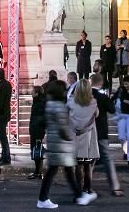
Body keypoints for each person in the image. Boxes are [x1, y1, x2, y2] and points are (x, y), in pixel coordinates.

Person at [37, 80, 92, 209]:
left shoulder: (50, 104)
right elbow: (63, 127)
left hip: (56, 143)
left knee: (66, 171)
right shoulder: (59, 106)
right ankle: (43, 198)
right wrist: (70, 138)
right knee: (58, 171)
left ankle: (79, 195)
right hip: (61, 144)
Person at [69, 79, 99, 196]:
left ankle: (78, 188)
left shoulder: (71, 103)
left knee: (78, 165)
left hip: (76, 136)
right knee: (88, 165)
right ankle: (88, 188)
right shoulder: (93, 103)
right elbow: (97, 114)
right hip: (88, 136)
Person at [113, 74, 129, 164]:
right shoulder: (121, 90)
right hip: (121, 115)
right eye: (124, 84)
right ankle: (125, 150)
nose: (125, 85)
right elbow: (113, 98)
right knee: (121, 136)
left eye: (127, 84)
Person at [28, 82, 48, 180]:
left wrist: (38, 128)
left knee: (37, 151)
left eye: (33, 91)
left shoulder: (39, 103)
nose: (31, 93)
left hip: (37, 130)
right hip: (36, 129)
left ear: (37, 93)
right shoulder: (38, 102)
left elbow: (41, 118)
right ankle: (37, 171)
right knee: (36, 151)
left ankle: (38, 172)